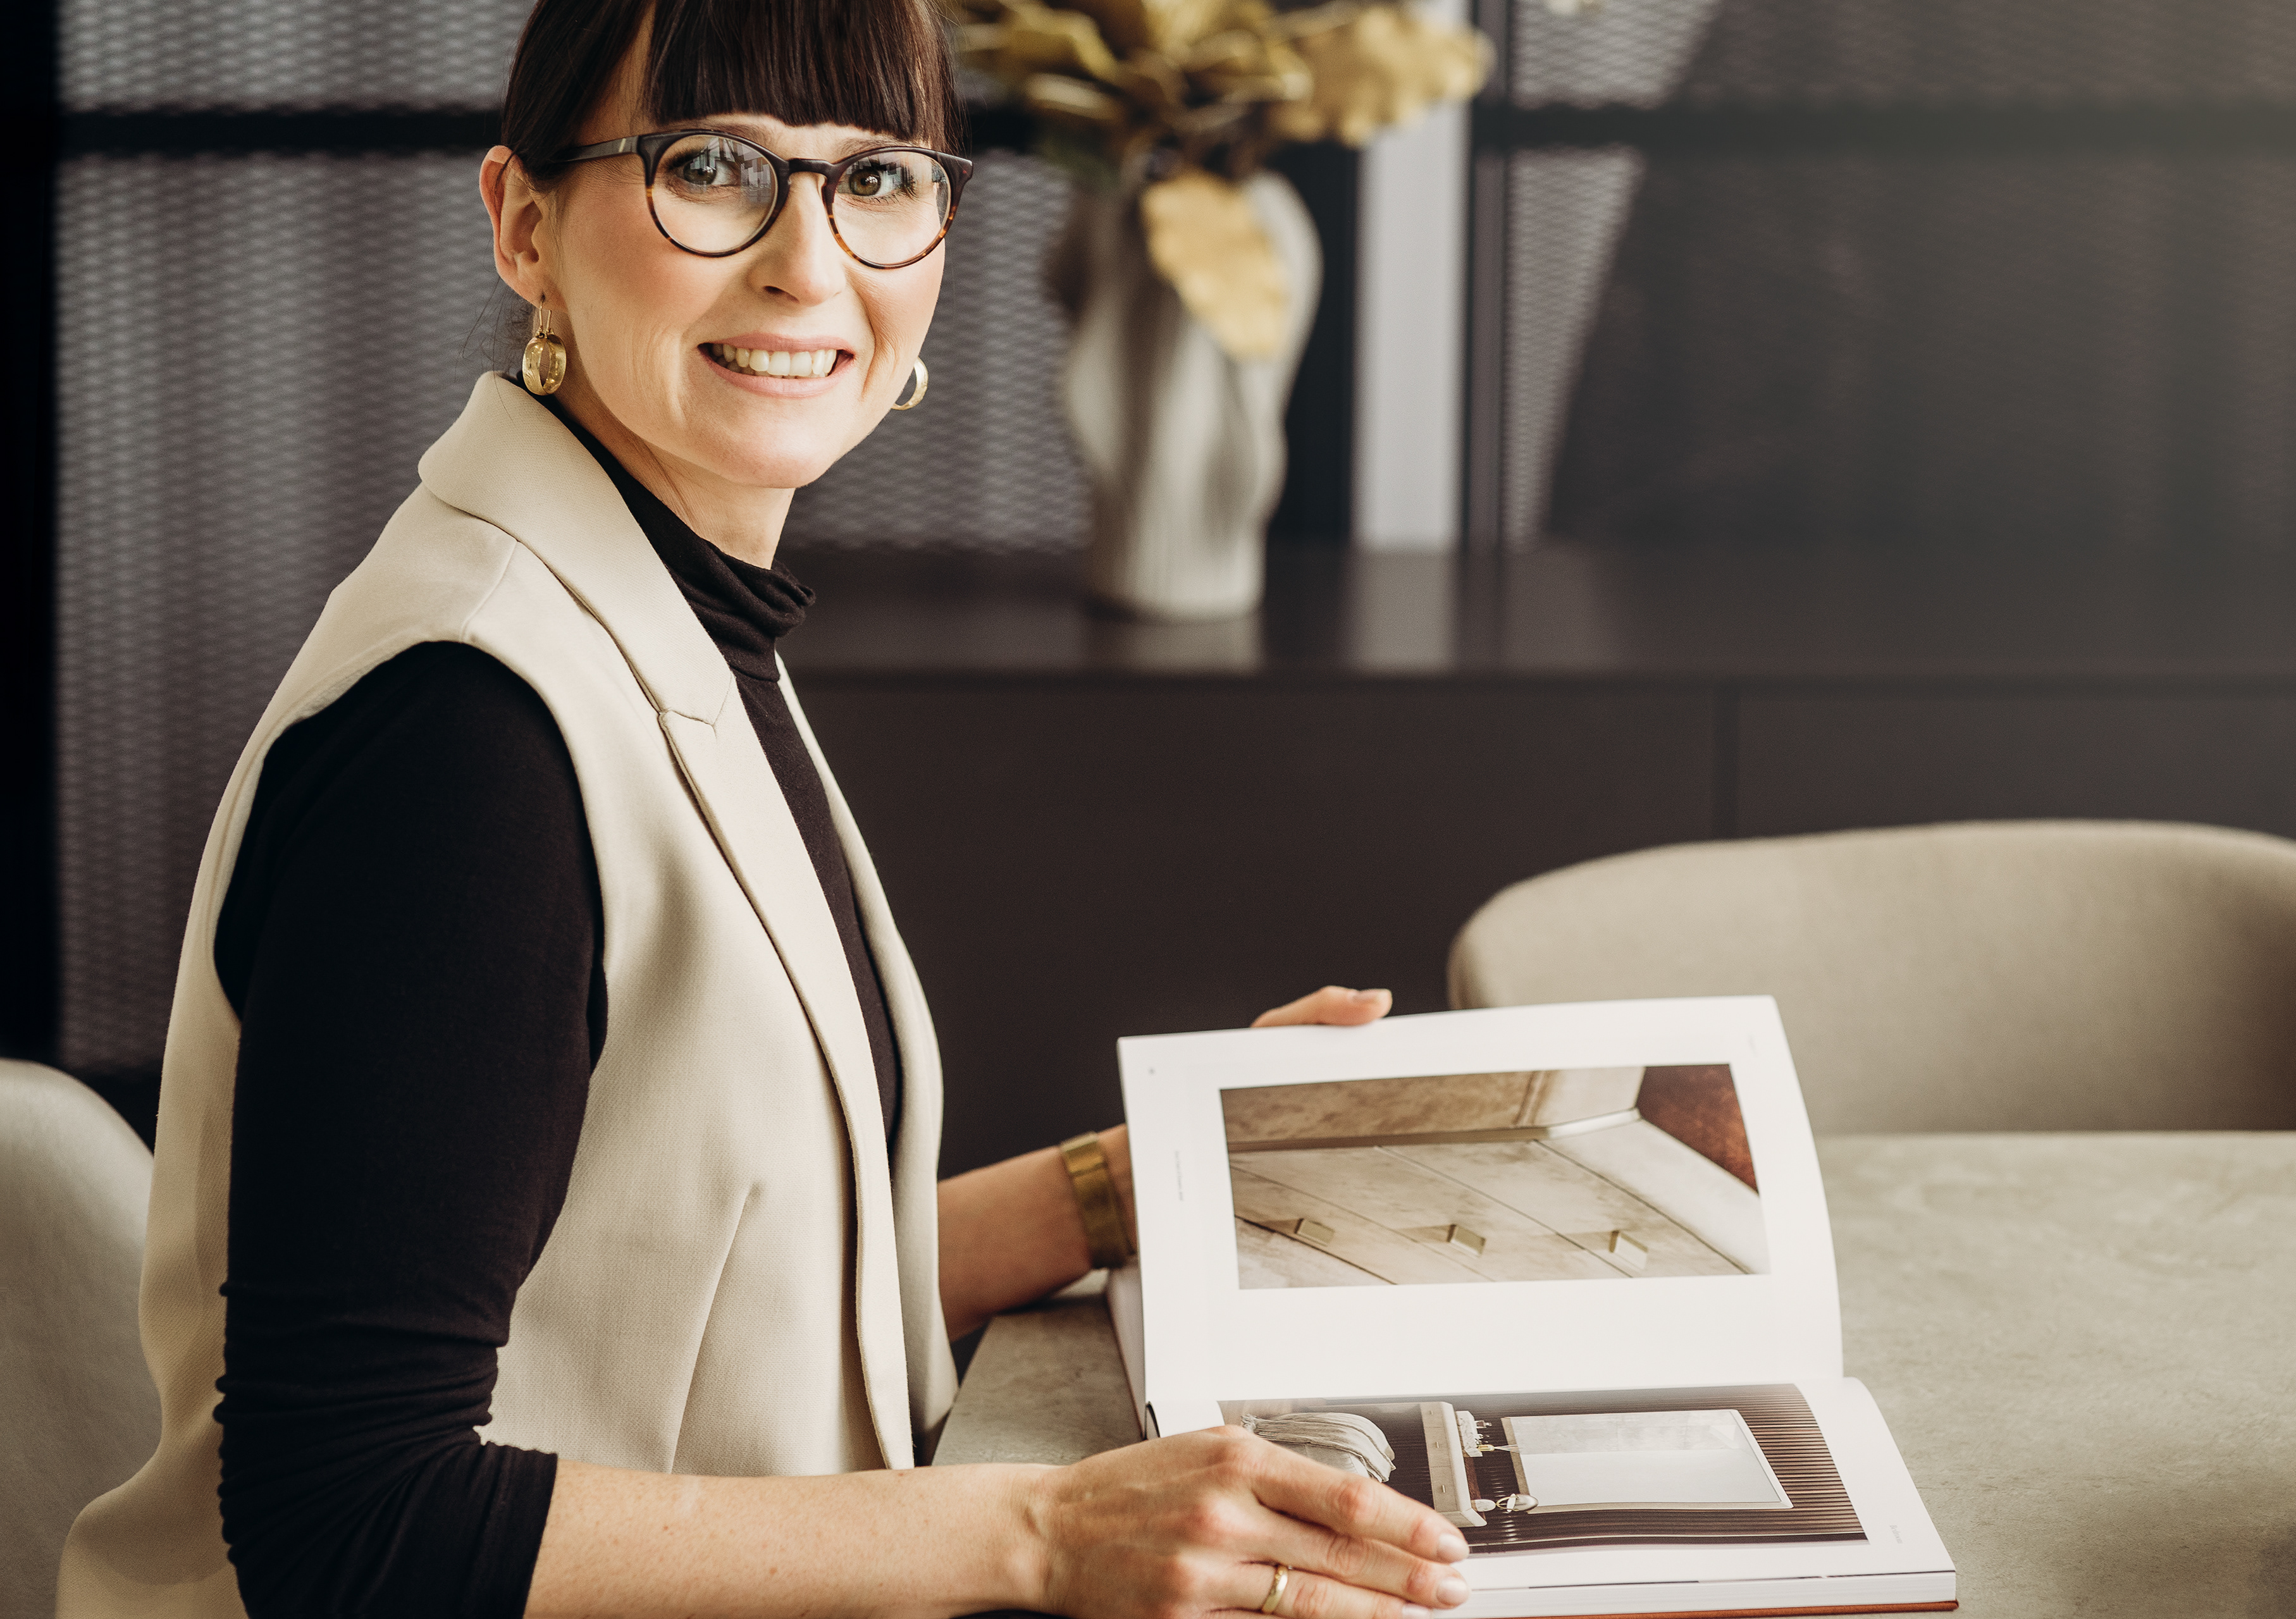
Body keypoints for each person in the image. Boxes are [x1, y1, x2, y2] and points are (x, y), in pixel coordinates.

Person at [54, 1, 1479, 1615]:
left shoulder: (657, 600)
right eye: (712, 168)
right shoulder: (468, 734)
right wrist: (1044, 1531)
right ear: (525, 227)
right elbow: (349, 1518)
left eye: (877, 178)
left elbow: (730, 1282)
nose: (810, 264)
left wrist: (1138, 1175)